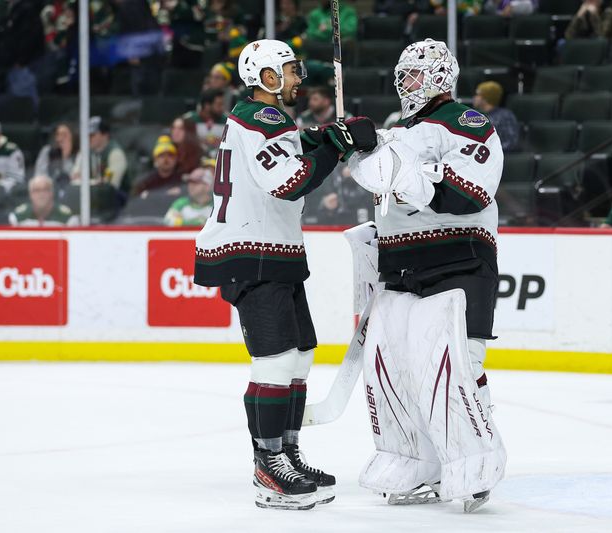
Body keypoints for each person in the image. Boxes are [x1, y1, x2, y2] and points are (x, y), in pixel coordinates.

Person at [191, 39, 376, 510]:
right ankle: (268, 465)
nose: (299, 78)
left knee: (297, 359)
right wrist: (337, 144)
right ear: (267, 78)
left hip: (272, 252)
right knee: (275, 363)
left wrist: (334, 135)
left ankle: (287, 454)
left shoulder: (264, 119)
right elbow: (291, 181)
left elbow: (296, 147)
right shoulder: (262, 118)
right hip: (252, 255)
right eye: (291, 71)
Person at [347, 38, 506, 512]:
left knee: (456, 364)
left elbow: (470, 194)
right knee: (394, 368)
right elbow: (385, 190)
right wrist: (361, 150)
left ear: (439, 77)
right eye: (402, 76)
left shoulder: (466, 123)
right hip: (400, 264)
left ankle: (474, 462)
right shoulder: (398, 132)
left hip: (459, 259)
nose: (406, 84)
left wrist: (405, 172)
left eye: (414, 75)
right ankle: (418, 461)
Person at [71, 116, 128, 191]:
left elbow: (110, 184)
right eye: (86, 135)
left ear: (105, 135)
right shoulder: (84, 153)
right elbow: (75, 177)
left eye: (92, 135)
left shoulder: (115, 153)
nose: (88, 138)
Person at [9, 174, 78, 226]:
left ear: (52, 193)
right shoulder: (18, 217)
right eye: (37, 190)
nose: (41, 194)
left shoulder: (66, 218)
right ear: (30, 194)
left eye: (45, 189)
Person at [473, 81, 519, 153]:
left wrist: (489, 152)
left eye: (478, 95)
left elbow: (510, 142)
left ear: (485, 98)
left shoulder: (505, 116)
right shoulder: (476, 115)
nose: (475, 97)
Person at [34, 122, 80, 187]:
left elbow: (79, 177)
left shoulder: (79, 155)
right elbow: (39, 177)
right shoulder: (47, 152)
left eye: (64, 135)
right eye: (58, 134)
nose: (60, 138)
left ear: (72, 137)